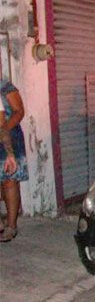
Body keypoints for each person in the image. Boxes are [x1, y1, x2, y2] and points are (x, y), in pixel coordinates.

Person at [0, 79, 25, 242]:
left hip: (9, 136)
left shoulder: (6, 87)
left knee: (9, 180)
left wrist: (4, 129)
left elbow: (19, 111)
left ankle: (11, 225)